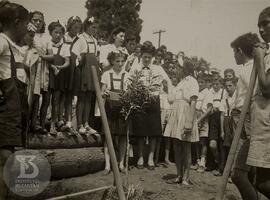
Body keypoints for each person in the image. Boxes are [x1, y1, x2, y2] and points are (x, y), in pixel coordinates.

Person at [0, 2, 29, 199]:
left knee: (10, 156)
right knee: (5, 157)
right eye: (26, 24)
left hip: (15, 107)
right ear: (17, 23)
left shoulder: (15, 47)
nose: (27, 29)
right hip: (6, 108)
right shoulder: (1, 41)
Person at [129, 43, 172, 170]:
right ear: (141, 56)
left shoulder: (158, 68)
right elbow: (129, 81)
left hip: (154, 100)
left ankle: (151, 158)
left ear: (152, 57)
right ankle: (141, 157)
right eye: (145, 57)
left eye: (149, 57)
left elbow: (168, 81)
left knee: (153, 131)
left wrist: (166, 93)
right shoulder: (136, 67)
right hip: (140, 100)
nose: (147, 60)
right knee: (141, 131)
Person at [229, 32, 260, 200]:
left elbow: (254, 96)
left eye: (234, 52)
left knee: (238, 174)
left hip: (245, 118)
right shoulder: (250, 68)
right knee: (247, 172)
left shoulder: (248, 70)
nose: (234, 56)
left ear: (240, 51)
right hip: (242, 118)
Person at [246, 7, 270, 199]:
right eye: (259, 26)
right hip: (261, 122)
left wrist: (260, 58)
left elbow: (267, 88)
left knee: (262, 182)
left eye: (266, 24)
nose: (261, 30)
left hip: (268, 125)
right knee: (260, 181)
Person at [164, 60, 199, 185]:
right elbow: (171, 100)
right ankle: (179, 175)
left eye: (177, 67)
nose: (175, 70)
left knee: (186, 147)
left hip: (185, 114)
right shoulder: (179, 83)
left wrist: (189, 121)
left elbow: (193, 101)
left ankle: (186, 177)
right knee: (176, 146)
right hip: (176, 114)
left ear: (184, 68)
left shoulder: (192, 81)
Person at [101, 52, 129, 174]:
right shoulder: (107, 74)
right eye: (117, 61)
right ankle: (107, 165)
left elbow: (129, 92)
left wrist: (127, 95)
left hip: (122, 108)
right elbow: (102, 92)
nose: (120, 63)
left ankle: (121, 163)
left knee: (122, 136)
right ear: (112, 61)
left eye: (122, 61)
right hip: (110, 107)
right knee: (108, 136)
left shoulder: (127, 75)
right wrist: (105, 93)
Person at [41, 21, 70, 135]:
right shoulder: (47, 44)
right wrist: (53, 67)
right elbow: (45, 59)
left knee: (56, 102)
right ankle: (42, 124)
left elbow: (67, 61)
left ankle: (53, 125)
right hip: (48, 75)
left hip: (59, 76)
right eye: (55, 32)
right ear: (51, 33)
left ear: (63, 34)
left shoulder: (65, 47)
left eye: (60, 33)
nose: (58, 35)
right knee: (46, 101)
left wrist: (60, 67)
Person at [72, 17, 100, 134]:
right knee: (82, 98)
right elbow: (76, 55)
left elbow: (96, 56)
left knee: (89, 98)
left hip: (93, 71)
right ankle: (79, 124)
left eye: (96, 28)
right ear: (87, 26)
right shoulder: (80, 38)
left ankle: (86, 123)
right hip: (84, 70)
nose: (95, 30)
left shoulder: (94, 40)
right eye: (93, 27)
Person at [29, 11, 53, 134]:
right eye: (35, 20)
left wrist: (42, 56)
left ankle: (42, 124)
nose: (38, 22)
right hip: (31, 67)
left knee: (45, 97)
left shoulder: (46, 37)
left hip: (44, 68)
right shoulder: (28, 33)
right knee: (33, 96)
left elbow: (51, 55)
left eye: (40, 20)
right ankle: (31, 123)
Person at [60, 16, 83, 132]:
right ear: (69, 26)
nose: (76, 29)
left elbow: (81, 56)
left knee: (71, 95)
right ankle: (59, 119)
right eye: (74, 26)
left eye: (78, 27)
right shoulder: (63, 37)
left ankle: (69, 121)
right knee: (61, 95)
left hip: (74, 70)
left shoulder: (80, 39)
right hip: (63, 69)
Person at [193, 73, 213, 173]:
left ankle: (202, 162)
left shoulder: (208, 93)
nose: (200, 84)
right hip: (195, 115)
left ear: (206, 83)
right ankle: (197, 161)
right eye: (198, 82)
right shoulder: (196, 92)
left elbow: (209, 109)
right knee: (196, 140)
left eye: (202, 82)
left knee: (203, 140)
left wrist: (200, 119)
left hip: (203, 117)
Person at [219, 78, 238, 173]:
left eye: (230, 86)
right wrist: (222, 130)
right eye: (226, 86)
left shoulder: (238, 97)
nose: (228, 88)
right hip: (227, 121)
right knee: (225, 145)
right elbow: (222, 115)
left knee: (234, 146)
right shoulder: (224, 99)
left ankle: (232, 170)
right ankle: (223, 168)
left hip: (235, 120)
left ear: (235, 86)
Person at [208, 77, 225, 175]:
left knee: (222, 145)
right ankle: (216, 161)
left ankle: (221, 168)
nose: (215, 86)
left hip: (222, 118)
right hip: (212, 119)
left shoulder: (224, 92)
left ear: (221, 84)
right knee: (212, 145)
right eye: (214, 83)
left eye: (217, 84)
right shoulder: (210, 92)